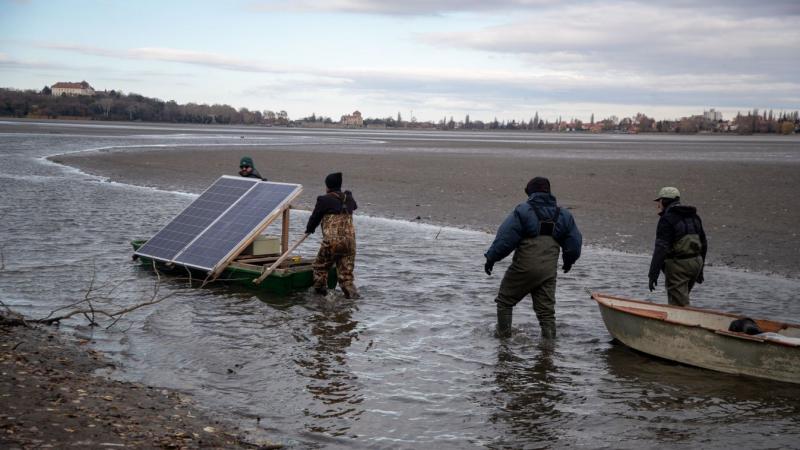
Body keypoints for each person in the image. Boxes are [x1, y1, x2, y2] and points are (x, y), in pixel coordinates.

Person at [484, 177, 582, 339]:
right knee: (546, 312)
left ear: (531, 192)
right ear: (548, 192)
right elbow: (574, 243)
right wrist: (568, 261)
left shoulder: (523, 211)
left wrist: (491, 258)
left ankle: (503, 340)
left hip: (524, 267)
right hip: (548, 271)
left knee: (504, 302)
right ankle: (548, 350)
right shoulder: (564, 214)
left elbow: (505, 239)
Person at [648, 186, 707, 306]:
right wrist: (700, 270)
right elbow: (704, 243)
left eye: (659, 202)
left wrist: (653, 274)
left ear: (664, 201)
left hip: (679, 267)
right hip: (696, 263)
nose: (658, 205)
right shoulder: (694, 216)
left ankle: (687, 324)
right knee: (682, 299)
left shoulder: (666, 219)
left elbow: (661, 248)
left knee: (678, 305)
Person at [305, 172, 359, 299]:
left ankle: (320, 297)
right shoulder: (349, 199)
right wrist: (349, 194)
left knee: (320, 267)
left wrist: (309, 229)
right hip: (350, 244)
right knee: (346, 276)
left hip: (332, 243)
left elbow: (315, 217)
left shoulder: (324, 199)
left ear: (327, 186)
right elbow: (354, 206)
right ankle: (352, 299)